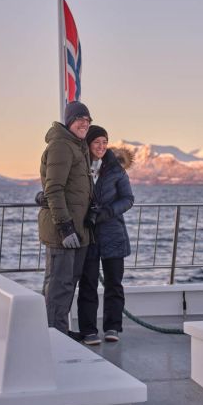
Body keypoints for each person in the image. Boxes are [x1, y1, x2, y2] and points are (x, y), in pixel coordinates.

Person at [37, 101, 94, 335]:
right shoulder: (61, 146)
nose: (84, 123)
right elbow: (54, 189)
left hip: (78, 230)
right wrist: (65, 227)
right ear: (69, 121)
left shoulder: (78, 147)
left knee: (68, 285)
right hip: (63, 231)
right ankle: (52, 336)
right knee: (58, 286)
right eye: (80, 118)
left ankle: (59, 331)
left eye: (88, 120)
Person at [76, 125, 135, 345]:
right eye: (96, 142)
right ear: (88, 144)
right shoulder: (79, 166)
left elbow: (128, 199)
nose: (101, 146)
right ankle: (88, 330)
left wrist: (108, 212)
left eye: (104, 142)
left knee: (113, 284)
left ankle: (112, 327)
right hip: (88, 234)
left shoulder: (116, 169)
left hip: (113, 233)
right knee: (88, 283)